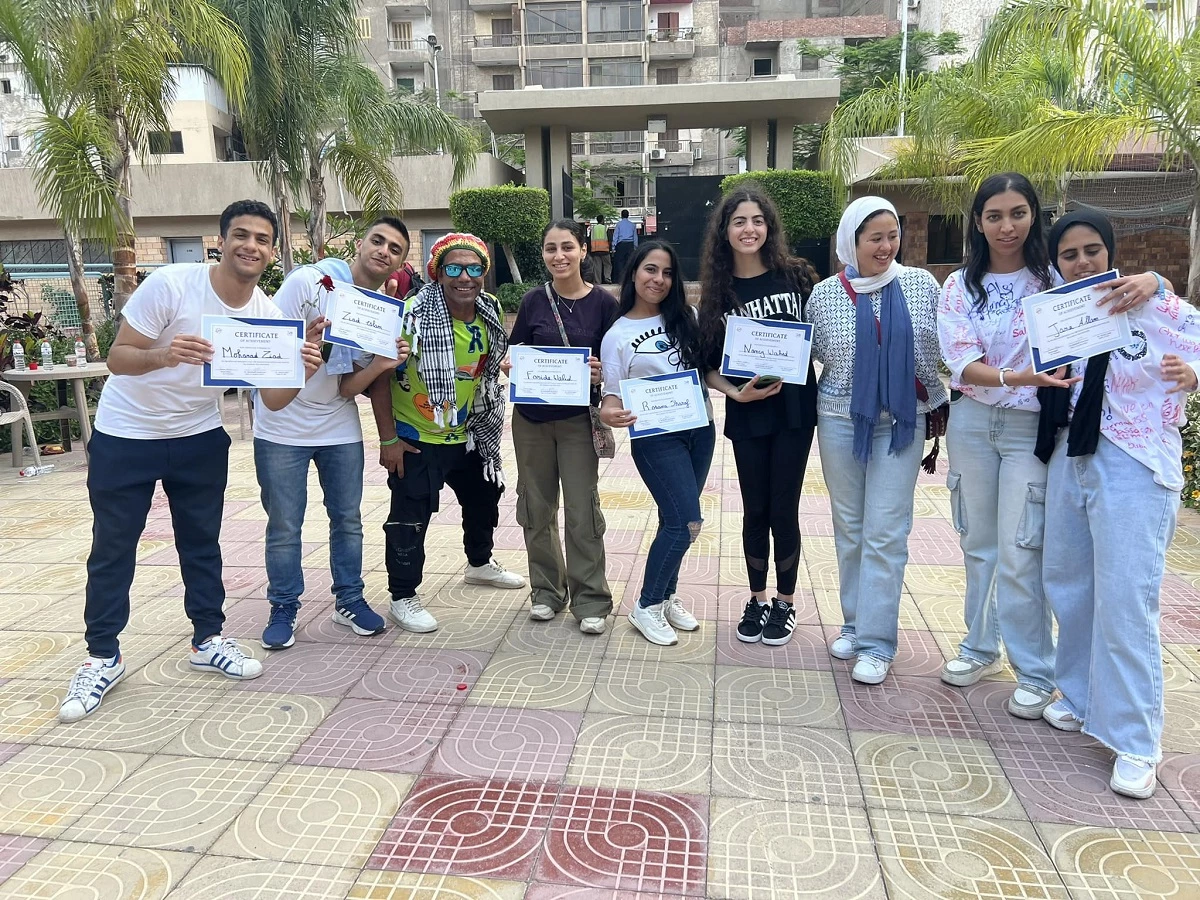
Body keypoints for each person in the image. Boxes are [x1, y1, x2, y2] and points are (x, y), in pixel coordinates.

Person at [60, 200, 324, 723]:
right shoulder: (172, 285)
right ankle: (102, 657)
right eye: (241, 235)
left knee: (202, 543)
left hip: (199, 438)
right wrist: (165, 355)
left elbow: (272, 401)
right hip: (126, 434)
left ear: (272, 252)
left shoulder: (267, 314)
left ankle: (208, 639)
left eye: (263, 240)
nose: (251, 246)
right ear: (220, 241)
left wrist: (303, 367)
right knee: (114, 547)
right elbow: (117, 358)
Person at [936, 172, 1164, 719]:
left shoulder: (1055, 280)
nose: (1006, 225)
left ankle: (1035, 670)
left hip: (1031, 432)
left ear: (1033, 216)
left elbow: (1128, 297)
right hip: (972, 423)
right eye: (994, 215)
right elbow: (960, 361)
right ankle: (979, 646)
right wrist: (1018, 378)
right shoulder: (959, 286)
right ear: (978, 222)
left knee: (1023, 551)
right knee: (978, 543)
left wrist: (1154, 277)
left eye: (1018, 213)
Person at [1038, 209, 1200, 798]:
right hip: (1071, 456)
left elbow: (1197, 344)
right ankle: (1080, 698)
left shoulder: (1155, 304)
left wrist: (1193, 373)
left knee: (1126, 598)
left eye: (1092, 252)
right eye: (1069, 255)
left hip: (1135, 463)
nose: (1082, 263)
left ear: (1111, 251)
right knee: (1069, 582)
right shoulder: (1059, 313)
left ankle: (1136, 740)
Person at [345, 233, 524, 634]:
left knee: (484, 497)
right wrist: (388, 440)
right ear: (438, 273)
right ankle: (402, 595)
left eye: (474, 268)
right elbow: (380, 378)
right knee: (410, 519)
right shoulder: (411, 315)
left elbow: (489, 362)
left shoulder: (489, 309)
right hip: (416, 436)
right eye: (455, 268)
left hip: (471, 431)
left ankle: (479, 564)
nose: (465, 277)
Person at [253, 218, 412, 650]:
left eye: (394, 248)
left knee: (348, 519)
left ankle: (349, 599)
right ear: (360, 245)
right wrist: (298, 344)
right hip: (281, 424)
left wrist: (381, 364)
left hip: (337, 424)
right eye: (377, 241)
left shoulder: (379, 313)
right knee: (285, 524)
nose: (384, 251)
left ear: (401, 261)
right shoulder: (308, 281)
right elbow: (269, 344)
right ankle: (283, 605)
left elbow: (347, 387)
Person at [807, 197, 947, 684]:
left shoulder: (921, 285)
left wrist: (935, 405)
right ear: (852, 242)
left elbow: (934, 350)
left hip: (901, 423)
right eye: (875, 238)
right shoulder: (824, 295)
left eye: (892, 236)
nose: (886, 246)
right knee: (849, 527)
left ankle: (877, 643)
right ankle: (853, 622)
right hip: (840, 420)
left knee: (886, 532)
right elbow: (815, 355)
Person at [698, 186, 818, 648]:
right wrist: (736, 395)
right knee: (754, 508)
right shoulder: (718, 292)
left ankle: (785, 603)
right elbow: (708, 364)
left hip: (793, 411)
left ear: (769, 226)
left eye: (757, 221)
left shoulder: (798, 276)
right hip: (749, 413)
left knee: (783, 507)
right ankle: (757, 597)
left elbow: (821, 337)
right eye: (738, 222)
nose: (749, 230)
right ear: (724, 233)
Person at [599, 240, 711, 646]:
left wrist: (736, 393)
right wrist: (607, 413)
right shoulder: (617, 334)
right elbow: (611, 395)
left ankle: (665, 597)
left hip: (700, 430)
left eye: (666, 272)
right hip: (655, 438)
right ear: (633, 273)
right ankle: (645, 606)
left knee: (673, 519)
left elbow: (704, 371)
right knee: (687, 523)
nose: (658, 279)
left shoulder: (688, 316)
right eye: (650, 270)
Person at [509, 219, 617, 633]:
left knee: (581, 510)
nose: (559, 256)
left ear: (583, 250)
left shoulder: (604, 304)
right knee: (535, 507)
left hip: (576, 423)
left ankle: (590, 599)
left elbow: (617, 362)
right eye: (551, 248)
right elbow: (517, 347)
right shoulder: (535, 300)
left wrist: (599, 375)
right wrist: (511, 362)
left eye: (567, 247)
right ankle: (546, 591)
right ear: (543, 254)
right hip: (531, 421)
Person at [611, 209, 639, 283]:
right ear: (628, 215)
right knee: (629, 262)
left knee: (620, 263)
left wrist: (613, 247)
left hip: (621, 245)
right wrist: (635, 247)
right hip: (630, 245)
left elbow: (615, 236)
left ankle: (621, 280)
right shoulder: (632, 225)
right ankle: (629, 279)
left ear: (621, 215)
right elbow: (635, 237)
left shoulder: (619, 224)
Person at [590, 216, 612, 284]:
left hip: (595, 250)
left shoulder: (593, 229)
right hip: (605, 250)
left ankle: (597, 281)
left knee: (597, 266)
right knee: (608, 265)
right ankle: (607, 277)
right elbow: (610, 239)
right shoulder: (605, 228)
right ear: (602, 220)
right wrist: (611, 249)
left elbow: (589, 239)